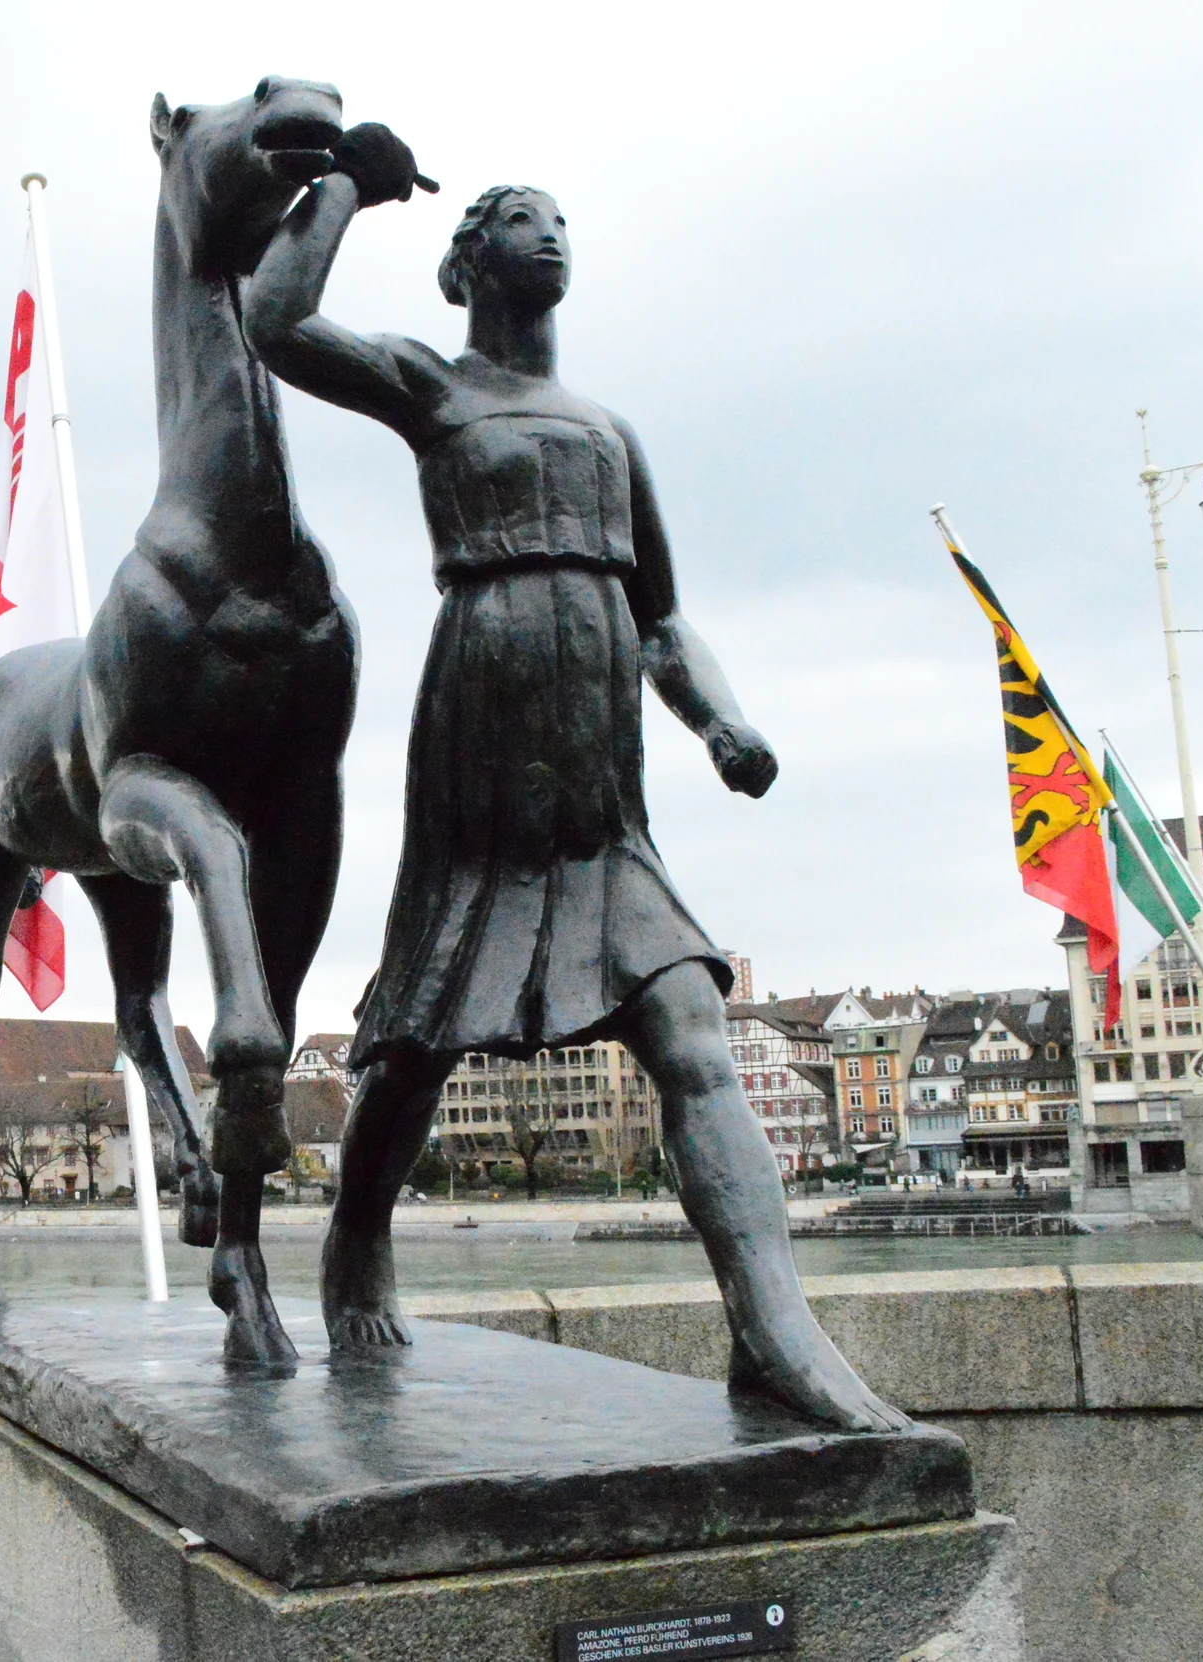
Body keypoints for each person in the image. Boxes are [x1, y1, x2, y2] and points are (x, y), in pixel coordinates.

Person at [244, 130, 907, 1431]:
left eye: (561, 222)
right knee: (425, 1026)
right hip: (482, 749)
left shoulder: (607, 433)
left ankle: (774, 1330)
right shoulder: (434, 387)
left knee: (688, 1025)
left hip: (606, 780)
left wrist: (723, 722)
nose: (553, 234)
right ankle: (356, 1230)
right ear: (470, 260)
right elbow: (277, 321)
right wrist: (343, 191)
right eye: (521, 219)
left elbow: (662, 619)